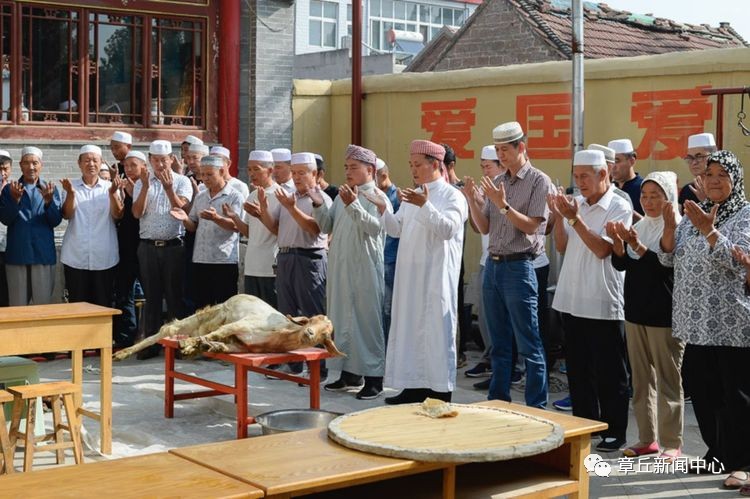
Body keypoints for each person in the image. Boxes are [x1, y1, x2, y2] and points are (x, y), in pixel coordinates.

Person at [658, 150, 750, 483]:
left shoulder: (745, 215)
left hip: (730, 324)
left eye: (722, 175)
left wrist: (711, 231)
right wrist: (671, 228)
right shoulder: (694, 215)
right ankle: (718, 453)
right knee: (705, 392)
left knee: (735, 395)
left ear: (735, 180)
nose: (713, 181)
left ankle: (743, 461)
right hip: (693, 324)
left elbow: (740, 260)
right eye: (709, 174)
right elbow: (669, 261)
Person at [368, 139, 467, 404]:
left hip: (435, 279)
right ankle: (413, 386)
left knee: (436, 332)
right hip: (410, 279)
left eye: (418, 165)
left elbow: (447, 229)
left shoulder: (452, 196)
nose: (413, 170)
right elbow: (396, 229)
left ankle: (439, 390)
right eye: (411, 165)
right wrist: (383, 207)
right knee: (409, 327)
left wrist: (425, 205)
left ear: (435, 164)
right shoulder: (413, 195)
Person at [461, 122, 551, 409]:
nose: (501, 155)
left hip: (519, 267)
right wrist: (472, 201)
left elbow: (533, 227)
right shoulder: (499, 182)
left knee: (528, 342)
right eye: (497, 150)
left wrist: (503, 206)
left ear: (520, 147)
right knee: (499, 342)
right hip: (494, 266)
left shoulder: (539, 181)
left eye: (505, 150)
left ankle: (536, 405)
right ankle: (498, 401)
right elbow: (485, 227)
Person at [549, 149, 631, 452]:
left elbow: (603, 250)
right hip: (572, 298)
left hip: (602, 300)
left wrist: (575, 219)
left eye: (585, 176)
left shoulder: (619, 205)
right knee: (579, 369)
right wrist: (560, 217)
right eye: (576, 176)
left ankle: (615, 429)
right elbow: (560, 246)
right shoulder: (577, 205)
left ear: (603, 175)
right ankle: (585, 423)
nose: (579, 182)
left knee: (610, 371)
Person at [608, 171, 684, 461]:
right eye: (645, 195)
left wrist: (636, 246)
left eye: (656, 196)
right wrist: (618, 242)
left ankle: (672, 443)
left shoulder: (676, 226)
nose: (649, 201)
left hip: (663, 315)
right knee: (640, 381)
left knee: (667, 380)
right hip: (635, 311)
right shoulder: (642, 225)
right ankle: (646, 438)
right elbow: (622, 264)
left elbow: (663, 269)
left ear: (669, 198)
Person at [314, 145, 389, 400]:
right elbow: (326, 226)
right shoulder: (342, 196)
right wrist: (317, 204)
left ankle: (374, 378)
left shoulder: (377, 196)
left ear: (370, 170)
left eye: (354, 167)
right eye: (346, 167)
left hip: (365, 270)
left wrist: (354, 205)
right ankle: (348, 374)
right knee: (342, 319)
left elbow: (375, 229)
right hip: (341, 269)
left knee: (366, 323)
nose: (348, 172)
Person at [258, 152, 332, 376]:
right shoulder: (288, 196)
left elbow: (315, 229)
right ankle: (294, 365)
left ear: (315, 174)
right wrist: (263, 208)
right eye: (295, 173)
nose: (297, 177)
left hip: (309, 259)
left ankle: (318, 369)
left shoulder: (320, 200)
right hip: (286, 257)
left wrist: (291, 208)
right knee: (287, 315)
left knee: (312, 316)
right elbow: (276, 228)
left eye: (302, 173)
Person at [132, 140, 193, 359]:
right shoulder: (142, 182)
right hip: (148, 246)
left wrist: (168, 189)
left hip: (173, 246)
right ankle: (151, 344)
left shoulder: (182, 181)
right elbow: (137, 213)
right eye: (155, 160)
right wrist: (147, 186)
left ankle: (179, 345)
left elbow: (183, 208)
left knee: (175, 296)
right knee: (152, 297)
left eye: (163, 160)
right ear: (150, 160)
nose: (160, 165)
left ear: (171, 160)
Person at [170, 155, 242, 308]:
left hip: (223, 260)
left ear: (222, 171)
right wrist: (184, 218)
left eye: (210, 174)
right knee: (202, 307)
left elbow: (237, 226)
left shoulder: (234, 196)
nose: (205, 178)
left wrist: (216, 218)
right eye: (203, 174)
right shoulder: (201, 196)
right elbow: (193, 226)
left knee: (224, 307)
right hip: (201, 260)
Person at [60, 145, 123, 307]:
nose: (91, 164)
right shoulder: (70, 186)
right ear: (79, 163)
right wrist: (71, 194)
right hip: (76, 255)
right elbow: (67, 215)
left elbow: (118, 215)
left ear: (101, 162)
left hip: (104, 256)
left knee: (103, 303)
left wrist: (113, 193)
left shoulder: (111, 187)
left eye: (95, 160)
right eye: (87, 160)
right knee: (77, 304)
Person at [463, 145, 505, 387]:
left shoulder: (505, 188)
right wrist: (474, 200)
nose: (484, 171)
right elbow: (478, 227)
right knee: (488, 319)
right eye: (482, 166)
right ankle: (491, 360)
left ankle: (507, 369)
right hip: (486, 259)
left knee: (502, 321)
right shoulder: (485, 189)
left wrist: (481, 199)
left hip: (505, 260)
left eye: (488, 166)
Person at [0, 147, 62, 306]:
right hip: (17, 253)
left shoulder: (50, 189)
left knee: (42, 306)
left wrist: (49, 203)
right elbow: (5, 219)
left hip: (42, 253)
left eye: (35, 163)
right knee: (17, 306)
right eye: (26, 163)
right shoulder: (10, 189)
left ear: (41, 164)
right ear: (20, 165)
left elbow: (55, 221)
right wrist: (15, 201)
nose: (31, 167)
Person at [225, 150, 280, 307]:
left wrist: (261, 214)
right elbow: (249, 232)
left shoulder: (281, 195)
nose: (252, 174)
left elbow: (279, 231)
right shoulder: (252, 195)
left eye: (256, 169)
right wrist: (234, 217)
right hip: (252, 265)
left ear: (270, 170)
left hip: (271, 266)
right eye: (249, 169)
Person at [113, 150, 147, 348]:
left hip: (144, 245)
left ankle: (146, 335)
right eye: (126, 166)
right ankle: (126, 335)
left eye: (133, 165)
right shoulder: (120, 185)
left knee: (150, 292)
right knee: (124, 292)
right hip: (124, 245)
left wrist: (136, 194)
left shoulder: (151, 186)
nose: (129, 169)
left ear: (144, 167)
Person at [376, 157, 400, 347]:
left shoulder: (397, 197)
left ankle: (388, 349)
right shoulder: (370, 194)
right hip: (376, 259)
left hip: (390, 260)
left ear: (384, 175)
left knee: (388, 308)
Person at [678, 132, 716, 212]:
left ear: (713, 156)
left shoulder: (720, 188)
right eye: (690, 158)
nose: (694, 162)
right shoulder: (687, 190)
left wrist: (706, 201)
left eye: (699, 157)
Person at [608, 139, 643, 219]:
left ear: (632, 161)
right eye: (610, 163)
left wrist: (626, 210)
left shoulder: (643, 187)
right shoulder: (609, 188)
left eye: (617, 161)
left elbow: (652, 224)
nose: (612, 167)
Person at [0, 150, 12, 306]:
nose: (2, 173)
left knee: (5, 291)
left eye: (5, 169)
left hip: (8, 248)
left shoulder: (14, 188)